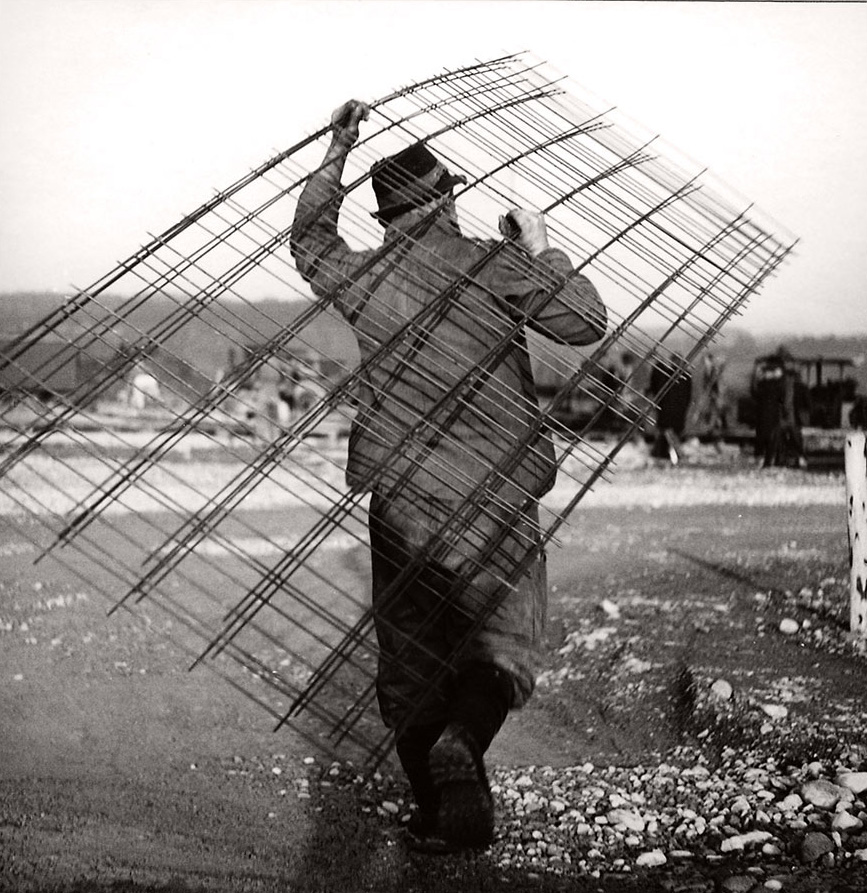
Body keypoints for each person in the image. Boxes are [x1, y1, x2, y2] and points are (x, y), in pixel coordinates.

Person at [290, 100, 607, 852]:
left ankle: (438, 811)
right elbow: (584, 320)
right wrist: (540, 248)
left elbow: (309, 241)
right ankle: (463, 742)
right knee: (498, 645)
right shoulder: (490, 265)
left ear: (387, 214)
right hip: (493, 493)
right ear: (443, 200)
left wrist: (335, 151)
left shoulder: (363, 278)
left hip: (401, 498)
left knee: (409, 663)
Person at [649, 355, 693, 465]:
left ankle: (669, 454)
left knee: (669, 433)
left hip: (672, 410)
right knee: (669, 433)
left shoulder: (681, 376)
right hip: (671, 410)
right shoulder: (680, 375)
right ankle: (671, 454)